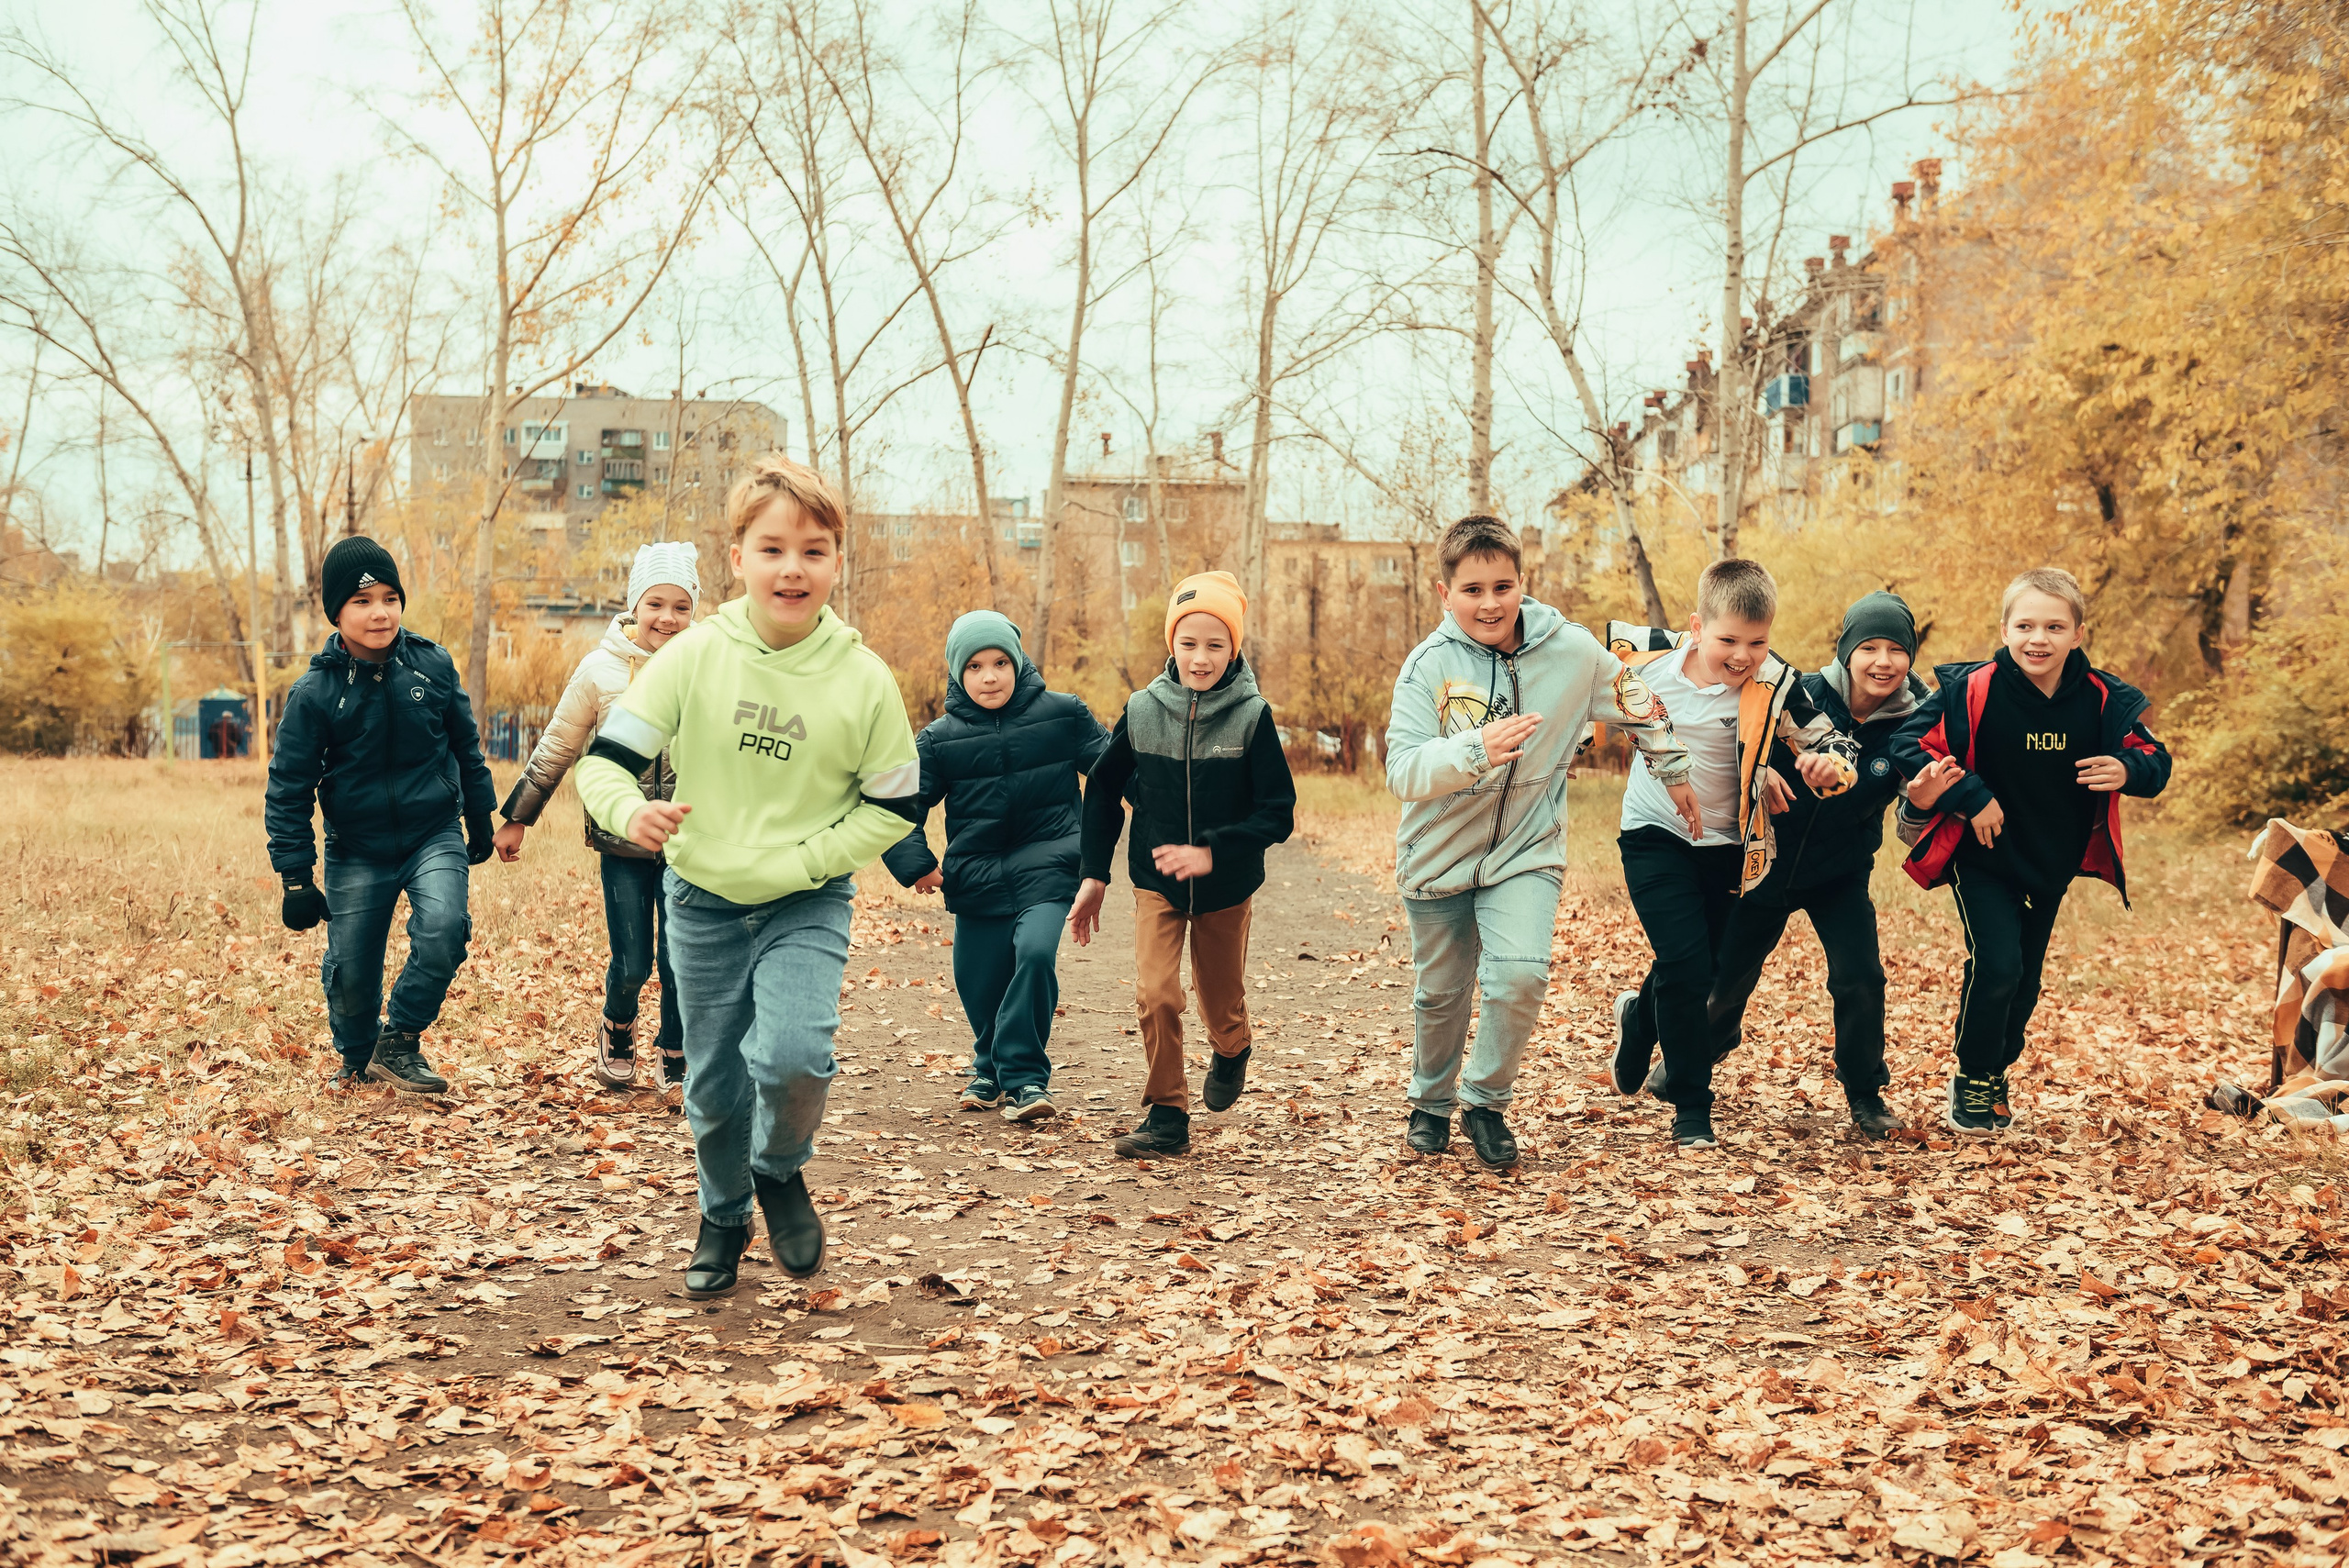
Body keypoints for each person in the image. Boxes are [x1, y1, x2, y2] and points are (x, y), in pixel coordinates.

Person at [571, 455, 919, 1297]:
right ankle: (722, 1214)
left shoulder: (863, 678)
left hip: (807, 897)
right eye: (771, 548)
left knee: (796, 1054)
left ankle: (777, 1168)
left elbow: (897, 807)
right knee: (716, 1081)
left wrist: (807, 859)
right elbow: (604, 766)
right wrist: (630, 814)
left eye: (813, 549)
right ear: (738, 559)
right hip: (702, 901)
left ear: (838, 560)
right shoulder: (691, 657)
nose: (791, 567)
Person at [1385, 515, 1696, 1170]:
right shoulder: (1427, 668)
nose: (1490, 603)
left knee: (1520, 976)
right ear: (1445, 594)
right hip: (1438, 854)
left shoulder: (1573, 653)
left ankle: (1485, 1103)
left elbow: (1635, 699)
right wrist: (1476, 748)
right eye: (1472, 590)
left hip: (1527, 848)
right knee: (1442, 992)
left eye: (1503, 585)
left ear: (1522, 582)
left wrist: (1675, 772)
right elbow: (1403, 770)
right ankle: (1430, 1102)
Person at [1889, 567, 2171, 1135]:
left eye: (2053, 626)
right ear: (2005, 628)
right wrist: (1970, 796)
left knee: (2027, 978)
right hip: (1983, 857)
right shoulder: (1972, 689)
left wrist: (2126, 768)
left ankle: (1996, 1069)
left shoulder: (2102, 701)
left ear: (2077, 633)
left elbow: (2156, 761)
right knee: (1998, 966)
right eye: (2025, 625)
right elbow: (1907, 744)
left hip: (2051, 861)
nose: (2037, 639)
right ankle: (1972, 1076)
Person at [1606, 559, 1860, 1150]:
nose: (1743, 655)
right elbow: (1579, 693)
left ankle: (1639, 1021)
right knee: (1690, 969)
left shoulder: (1775, 683)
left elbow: (1835, 739)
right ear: (1696, 627)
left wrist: (1830, 766)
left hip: (1730, 846)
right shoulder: (1640, 666)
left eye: (1758, 640)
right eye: (1728, 640)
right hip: (1654, 835)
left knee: (1703, 964)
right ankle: (1693, 1108)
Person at [1069, 572, 1296, 1161]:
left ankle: (1232, 1045)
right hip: (1157, 882)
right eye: (1188, 643)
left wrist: (1214, 849)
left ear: (1235, 648)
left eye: (1215, 645)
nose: (1200, 658)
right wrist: (1095, 872)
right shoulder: (1143, 710)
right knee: (1157, 992)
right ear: (1171, 644)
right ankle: (1167, 1112)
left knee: (1219, 1001)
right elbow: (1101, 788)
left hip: (1226, 887)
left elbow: (1279, 814)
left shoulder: (1251, 717)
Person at [1692, 591, 1929, 1140]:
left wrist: (1921, 798)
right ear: (1845, 650)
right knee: (1726, 979)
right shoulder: (1799, 692)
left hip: (1841, 872)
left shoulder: (1917, 722)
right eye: (1869, 646)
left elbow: (1910, 827)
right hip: (1766, 859)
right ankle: (1699, 1054)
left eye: (1896, 649)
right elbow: (1730, 744)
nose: (1883, 661)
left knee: (1861, 977)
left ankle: (1866, 1094)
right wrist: (1758, 776)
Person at [265, 535, 496, 1094]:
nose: (379, 613)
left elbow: (466, 745)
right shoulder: (315, 692)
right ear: (337, 612)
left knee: (444, 930)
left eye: (390, 598)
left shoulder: (432, 666)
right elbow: (288, 787)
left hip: (431, 832)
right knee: (351, 971)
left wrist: (481, 815)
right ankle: (358, 1054)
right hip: (356, 847)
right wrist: (296, 876)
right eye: (362, 602)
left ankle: (402, 1039)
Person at [882, 611, 1109, 1123]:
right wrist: (916, 864)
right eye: (977, 666)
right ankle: (987, 1066)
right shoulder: (939, 739)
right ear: (958, 675)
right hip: (977, 875)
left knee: (1033, 955)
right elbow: (899, 806)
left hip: (1051, 866)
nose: (990, 676)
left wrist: (1173, 811)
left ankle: (1025, 1078)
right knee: (979, 981)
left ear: (1019, 661)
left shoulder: (1063, 714)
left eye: (1001, 662)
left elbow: (1116, 770)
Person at [492, 542, 701, 1091]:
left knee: (682, 953)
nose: (668, 618)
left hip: (693, 838)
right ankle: (618, 1024)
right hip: (621, 839)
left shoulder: (707, 664)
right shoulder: (600, 669)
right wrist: (518, 816)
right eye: (656, 603)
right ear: (635, 604)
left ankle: (676, 1046)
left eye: (681, 607)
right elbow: (558, 745)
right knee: (633, 961)